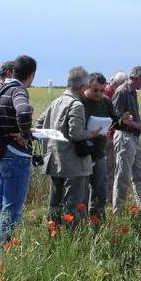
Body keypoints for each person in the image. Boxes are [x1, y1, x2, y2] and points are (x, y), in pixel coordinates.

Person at [38, 67, 96, 227]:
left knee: (55, 203)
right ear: (83, 86)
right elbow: (76, 134)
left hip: (55, 161)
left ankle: (53, 234)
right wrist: (92, 133)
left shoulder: (56, 102)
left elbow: (39, 124)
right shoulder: (76, 105)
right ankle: (71, 239)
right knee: (73, 205)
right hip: (74, 164)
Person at [0, 55, 37, 247]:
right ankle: (4, 257)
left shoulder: (1, 89)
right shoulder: (18, 90)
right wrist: (25, 133)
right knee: (12, 210)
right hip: (15, 155)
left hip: (0, 153)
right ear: (31, 74)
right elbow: (24, 111)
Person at [112, 66, 141, 211]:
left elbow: (133, 118)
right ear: (137, 78)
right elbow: (117, 120)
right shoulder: (122, 91)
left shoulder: (132, 92)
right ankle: (118, 210)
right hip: (124, 137)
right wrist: (140, 125)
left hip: (133, 137)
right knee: (123, 176)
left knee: (140, 174)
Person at [80, 72, 119, 222]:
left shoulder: (106, 102)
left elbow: (115, 120)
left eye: (102, 90)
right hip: (81, 153)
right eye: (94, 90)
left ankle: (97, 224)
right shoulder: (79, 101)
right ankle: (80, 225)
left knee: (100, 190)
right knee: (81, 193)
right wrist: (90, 133)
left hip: (99, 152)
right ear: (86, 87)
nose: (99, 94)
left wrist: (123, 121)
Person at [104, 70, 129, 202]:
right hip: (107, 137)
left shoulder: (109, 92)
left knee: (110, 169)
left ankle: (107, 198)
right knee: (109, 170)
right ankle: (107, 199)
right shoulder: (107, 95)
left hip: (109, 135)